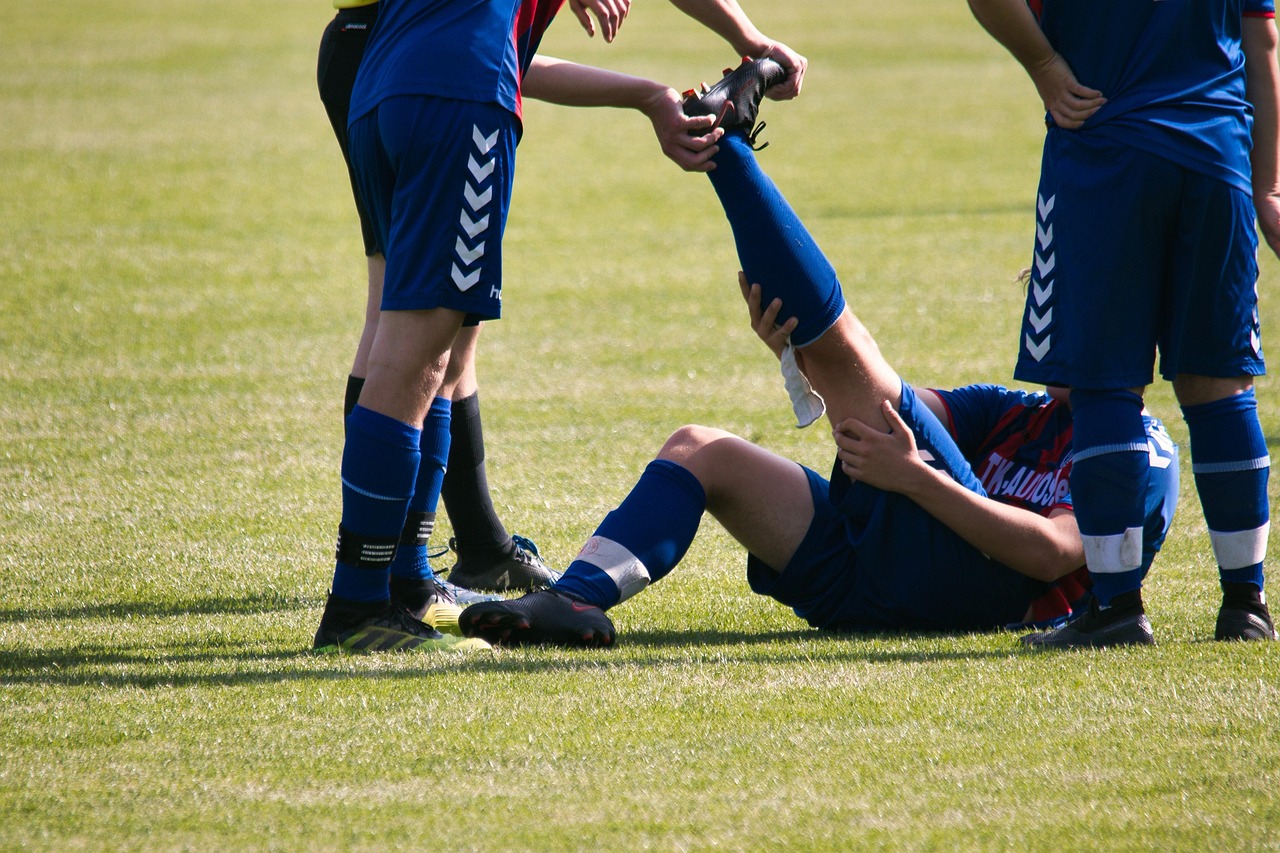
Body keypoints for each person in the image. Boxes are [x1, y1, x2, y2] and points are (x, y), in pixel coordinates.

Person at [456, 78, 1182, 647]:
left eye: (1063, 313)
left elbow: (1055, 554)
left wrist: (914, 481)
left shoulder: (1138, 449)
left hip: (986, 596)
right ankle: (576, 597)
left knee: (852, 361)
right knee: (702, 450)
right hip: (879, 584)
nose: (1047, 329)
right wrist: (796, 358)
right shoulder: (1022, 414)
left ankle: (727, 141)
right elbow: (884, 400)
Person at [311, 0, 807, 654]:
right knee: (418, 355)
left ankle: (401, 585)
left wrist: (650, 96)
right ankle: (357, 608)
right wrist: (746, 37)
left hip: (380, 90)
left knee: (430, 345)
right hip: (457, 99)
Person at [967, 0, 1280, 646]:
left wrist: (1045, 65)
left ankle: (1115, 607)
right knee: (1220, 384)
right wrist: (1269, 186)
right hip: (1215, 151)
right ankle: (1246, 604)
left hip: (1104, 153)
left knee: (1103, 384)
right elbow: (1262, 39)